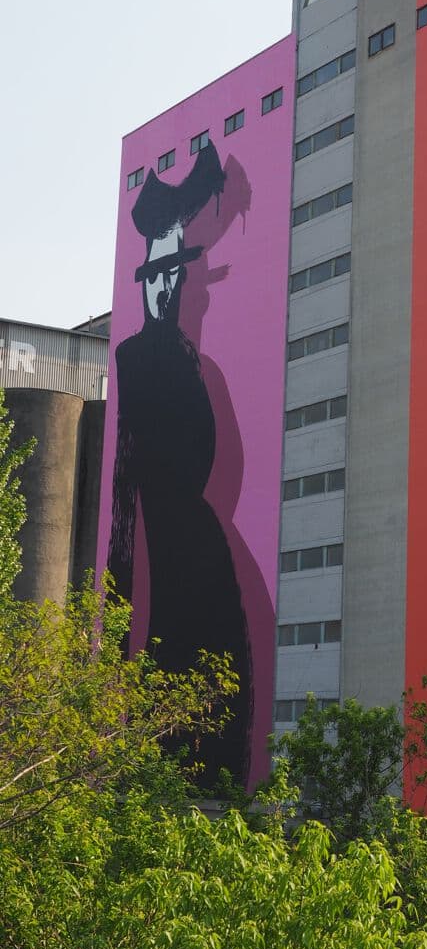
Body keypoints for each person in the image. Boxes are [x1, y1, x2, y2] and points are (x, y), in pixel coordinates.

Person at [107, 144, 252, 783]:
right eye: (154, 270)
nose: (166, 283)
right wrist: (116, 632)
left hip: (204, 584)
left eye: (178, 266)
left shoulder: (204, 367)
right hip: (165, 591)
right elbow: (120, 503)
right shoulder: (137, 362)